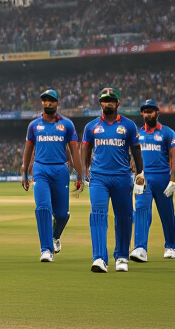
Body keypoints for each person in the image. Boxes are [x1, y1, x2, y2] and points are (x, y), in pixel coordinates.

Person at [81, 87, 144, 273]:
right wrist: (84, 169)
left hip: (122, 177)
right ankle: (99, 258)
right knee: (98, 215)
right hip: (99, 177)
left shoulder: (129, 125)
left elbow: (136, 150)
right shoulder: (91, 126)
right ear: (100, 103)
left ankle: (122, 256)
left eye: (111, 100)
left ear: (118, 103)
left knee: (124, 217)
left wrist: (140, 173)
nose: (107, 103)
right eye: (104, 100)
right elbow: (85, 148)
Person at [20, 89, 81, 262]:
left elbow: (74, 150)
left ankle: (55, 236)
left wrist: (80, 174)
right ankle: (46, 249)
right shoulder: (34, 126)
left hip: (60, 170)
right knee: (43, 208)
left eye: (51, 100)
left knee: (62, 214)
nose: (48, 103)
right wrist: (25, 172)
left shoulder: (67, 125)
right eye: (45, 100)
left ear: (57, 103)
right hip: (40, 169)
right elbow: (28, 149)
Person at [133, 99, 175, 261]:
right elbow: (132, 156)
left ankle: (171, 246)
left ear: (157, 113)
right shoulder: (138, 134)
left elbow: (174, 153)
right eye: (145, 111)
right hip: (144, 179)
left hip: (162, 178)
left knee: (166, 213)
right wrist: (136, 174)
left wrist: (174, 177)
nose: (148, 114)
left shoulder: (167, 132)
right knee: (141, 211)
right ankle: (140, 248)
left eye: (151, 111)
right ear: (142, 113)